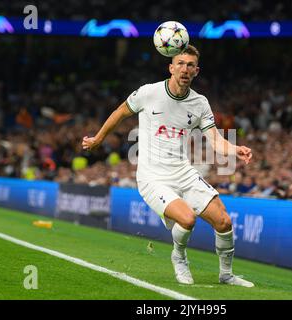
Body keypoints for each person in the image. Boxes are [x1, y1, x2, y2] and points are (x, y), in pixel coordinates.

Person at [82, 45, 254, 287]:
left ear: (197, 71)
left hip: (183, 172)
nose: (185, 69)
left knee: (224, 221)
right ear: (170, 67)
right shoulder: (148, 93)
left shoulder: (199, 103)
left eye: (190, 65)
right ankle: (179, 256)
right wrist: (99, 138)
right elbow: (121, 112)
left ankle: (226, 274)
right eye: (180, 64)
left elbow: (215, 139)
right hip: (153, 177)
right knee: (187, 219)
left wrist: (235, 149)